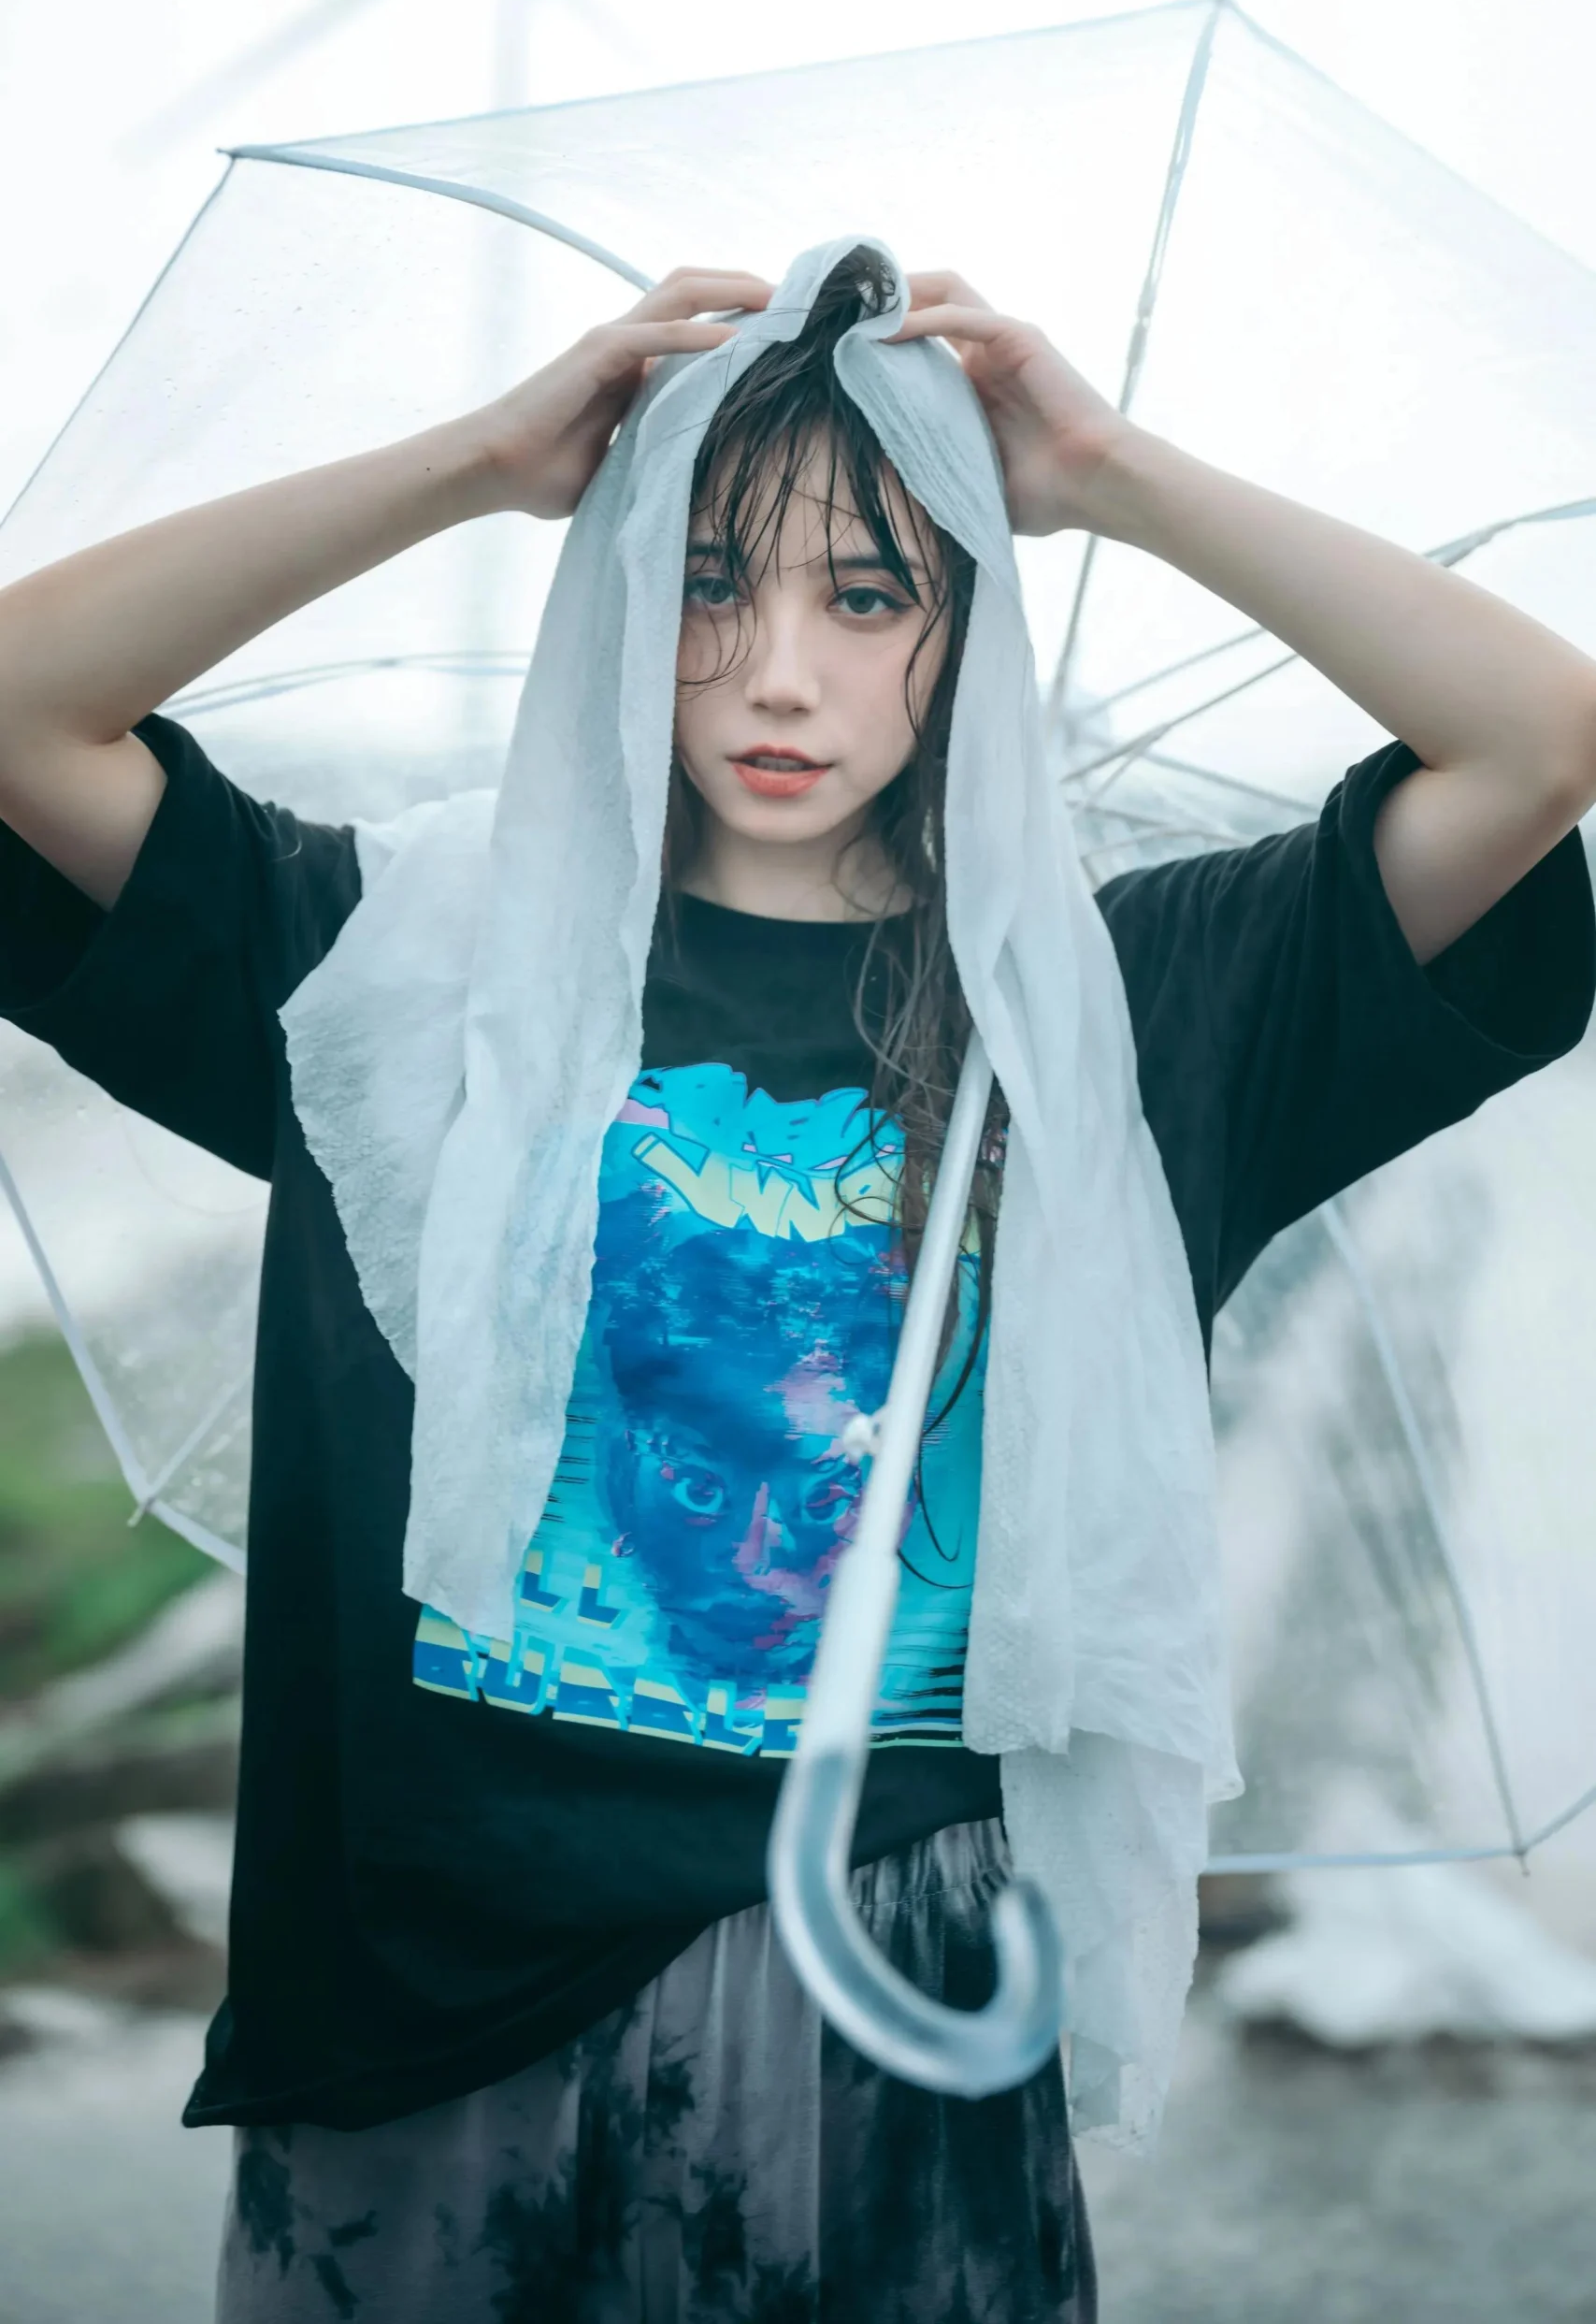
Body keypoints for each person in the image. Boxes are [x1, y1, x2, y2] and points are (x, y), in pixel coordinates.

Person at [0, 244, 1592, 2324]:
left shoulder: (1119, 1010)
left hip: (883, 1975)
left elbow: (1538, 738)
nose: (774, 674)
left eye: (866, 594)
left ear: (965, 625)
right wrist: (481, 463)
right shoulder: (395, 966)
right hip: (417, 1980)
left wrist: (1102, 472)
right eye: (704, 581)